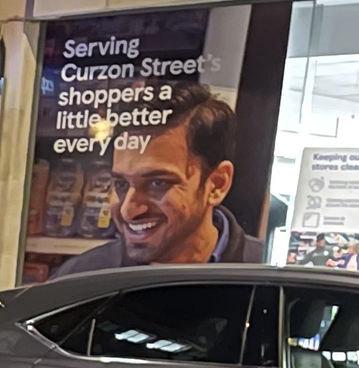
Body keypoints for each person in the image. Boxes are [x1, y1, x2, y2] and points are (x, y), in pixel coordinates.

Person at [55, 85, 264, 274]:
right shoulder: (78, 281)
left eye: (158, 183)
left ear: (217, 184)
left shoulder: (272, 277)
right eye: (120, 184)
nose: (129, 211)